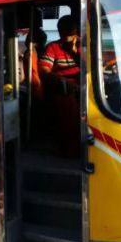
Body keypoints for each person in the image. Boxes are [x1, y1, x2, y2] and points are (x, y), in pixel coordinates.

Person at [39, 15, 80, 157]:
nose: (70, 36)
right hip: (63, 88)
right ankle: (69, 149)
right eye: (66, 32)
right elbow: (44, 69)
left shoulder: (83, 46)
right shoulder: (53, 47)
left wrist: (74, 52)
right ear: (60, 32)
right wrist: (62, 81)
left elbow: (91, 67)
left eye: (72, 32)